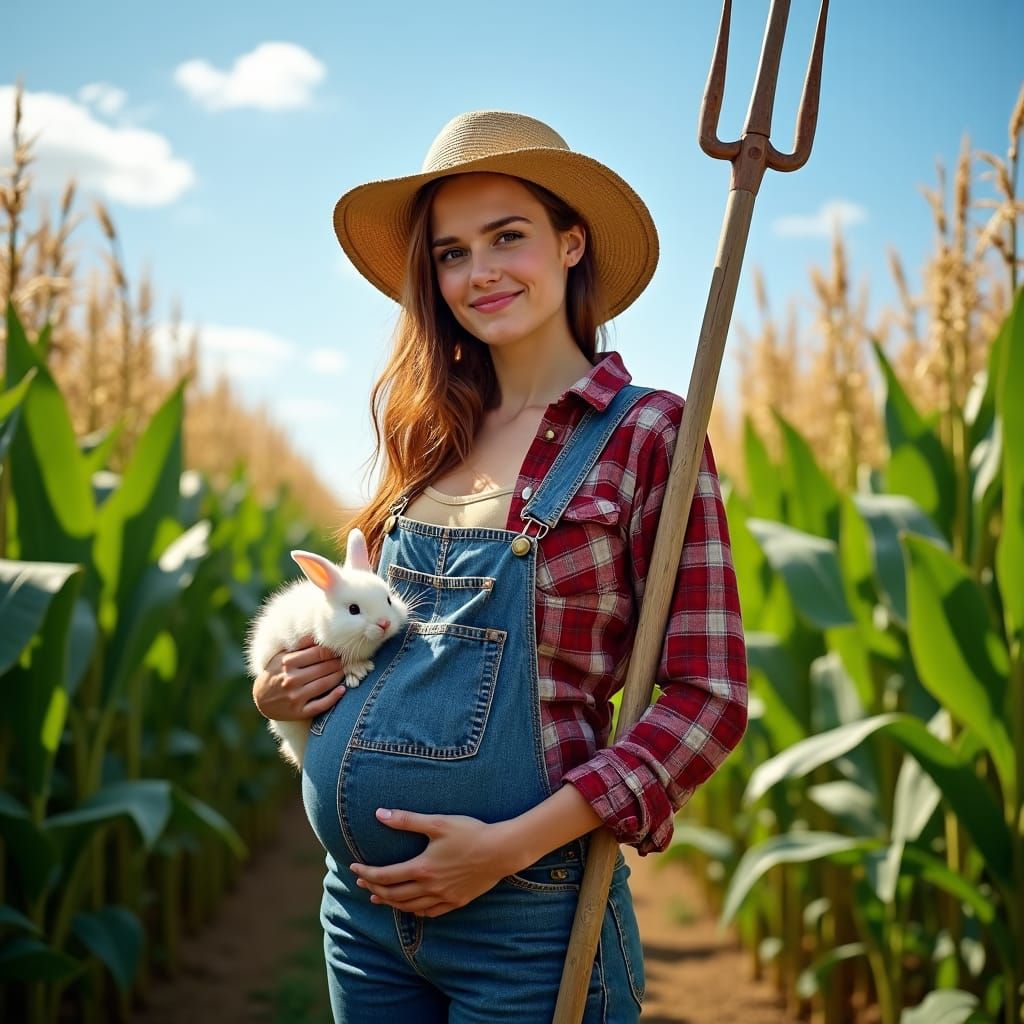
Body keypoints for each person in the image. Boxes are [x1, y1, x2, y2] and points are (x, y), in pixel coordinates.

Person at [251, 109, 748, 1023]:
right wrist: (286, 695)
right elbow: (383, 644)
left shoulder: (650, 435)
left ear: (570, 244)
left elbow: (704, 700)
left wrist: (510, 847)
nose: (478, 272)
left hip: (529, 921)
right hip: (360, 917)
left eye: (506, 237)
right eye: (449, 252)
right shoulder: (428, 430)